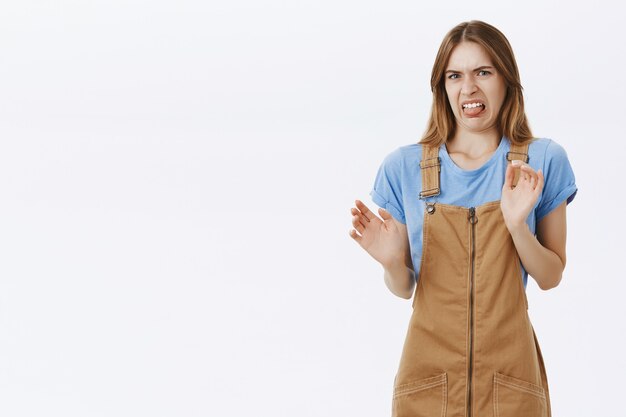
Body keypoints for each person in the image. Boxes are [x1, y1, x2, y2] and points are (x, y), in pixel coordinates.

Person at [349, 20, 577, 417]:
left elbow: (550, 276)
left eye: (483, 72)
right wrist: (390, 262)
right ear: (442, 87)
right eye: (455, 75)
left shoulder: (541, 161)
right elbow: (404, 288)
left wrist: (517, 225)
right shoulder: (404, 168)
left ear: (506, 79)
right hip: (426, 384)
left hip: (511, 382)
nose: (468, 88)